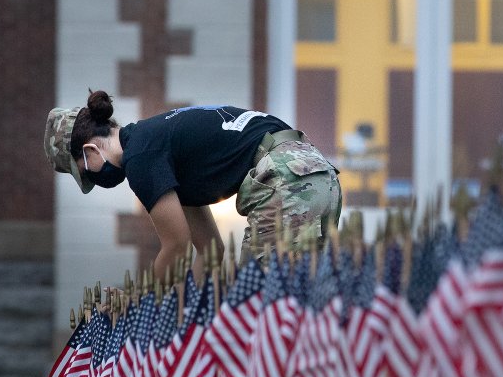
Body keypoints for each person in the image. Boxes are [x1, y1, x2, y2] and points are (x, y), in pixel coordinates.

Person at [43, 90, 342, 279]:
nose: (91, 178)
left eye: (84, 171)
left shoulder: (141, 158)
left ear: (90, 150)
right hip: (313, 172)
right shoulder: (158, 145)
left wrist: (141, 302)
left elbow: (176, 247)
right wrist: (187, 312)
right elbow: (211, 250)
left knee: (258, 304)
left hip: (286, 182)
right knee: (301, 301)